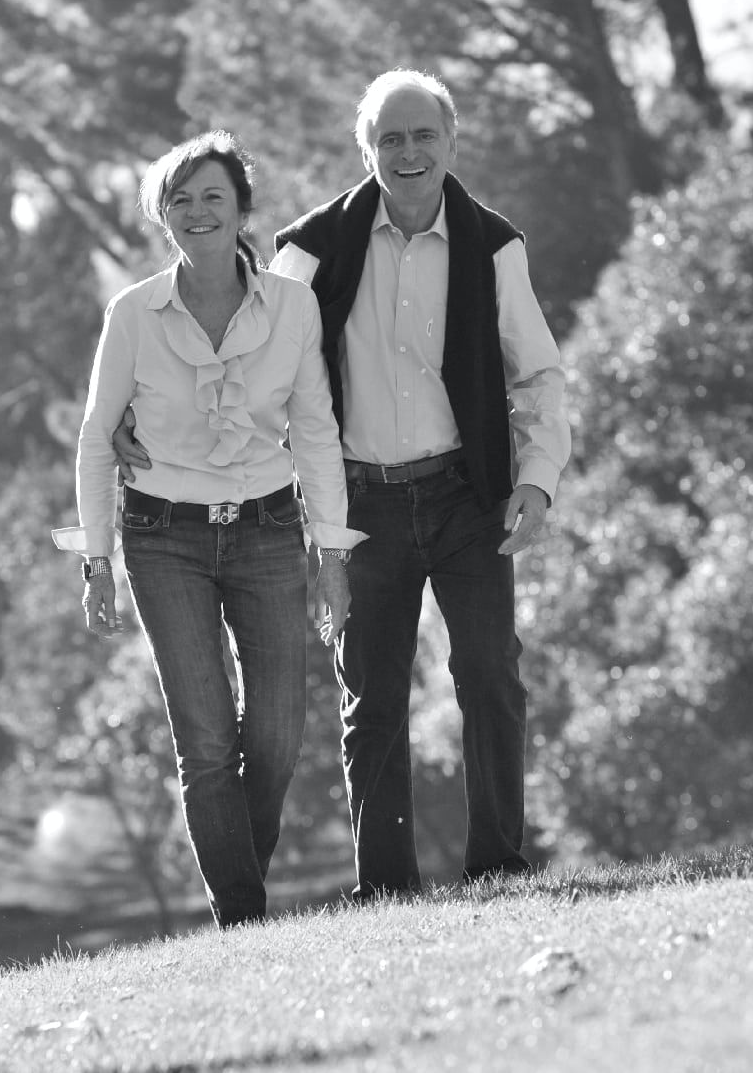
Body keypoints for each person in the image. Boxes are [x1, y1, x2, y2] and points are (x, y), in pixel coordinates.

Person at [115, 71, 569, 898]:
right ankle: (386, 884)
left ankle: (499, 861)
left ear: (450, 142)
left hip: (470, 497)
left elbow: (537, 375)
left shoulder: (495, 246)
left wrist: (535, 481)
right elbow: (239, 358)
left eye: (422, 135)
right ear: (365, 151)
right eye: (389, 139)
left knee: (491, 678)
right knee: (373, 700)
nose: (407, 152)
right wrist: (136, 419)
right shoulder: (310, 251)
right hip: (361, 507)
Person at [53, 130, 363, 928]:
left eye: (213, 198)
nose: (197, 213)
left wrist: (334, 553)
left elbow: (317, 430)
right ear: (162, 217)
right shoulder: (133, 313)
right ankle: (244, 919)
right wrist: (96, 561)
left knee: (278, 737)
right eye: (181, 201)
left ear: (242, 211)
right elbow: (96, 436)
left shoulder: (293, 307)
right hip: (162, 538)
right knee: (205, 742)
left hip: (267, 530)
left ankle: (239, 893)